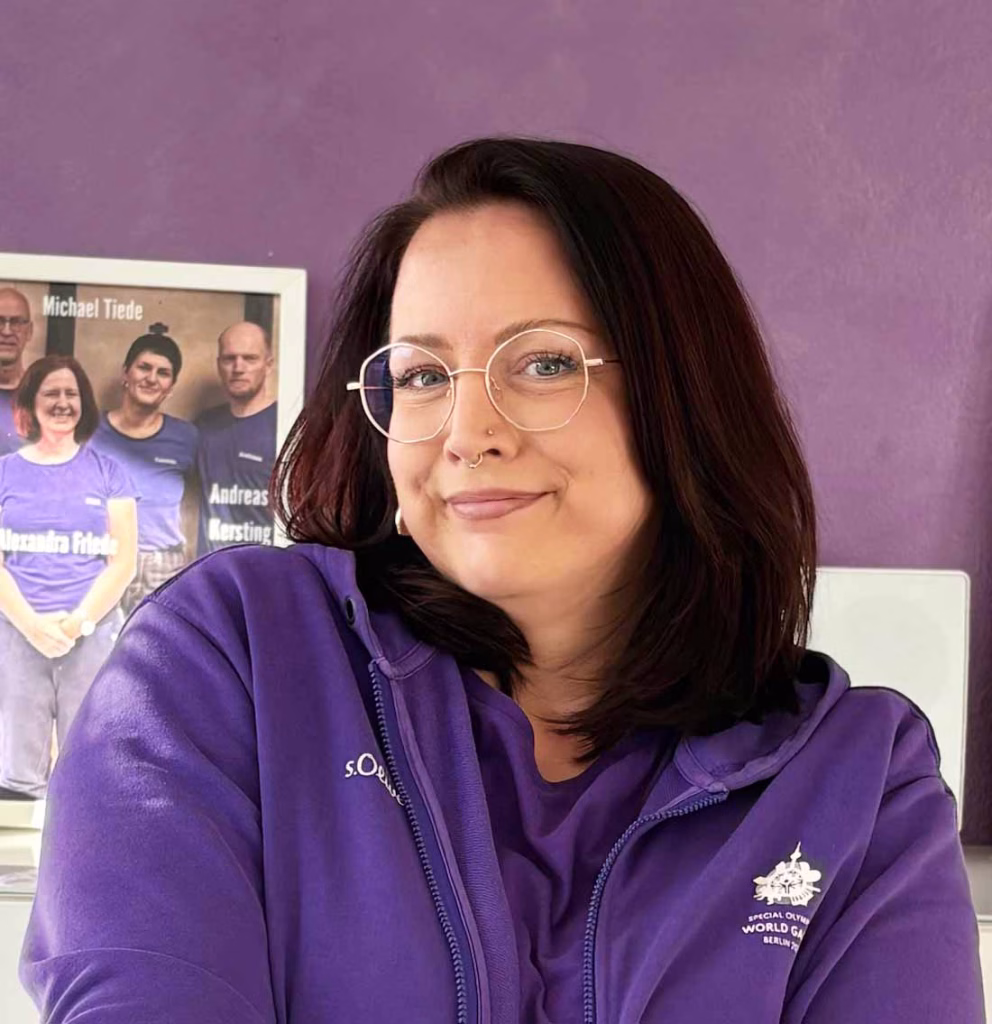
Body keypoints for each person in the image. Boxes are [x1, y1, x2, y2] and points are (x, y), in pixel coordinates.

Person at [20, 139, 983, 1022]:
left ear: (684, 396)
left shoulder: (858, 781)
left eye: (544, 363)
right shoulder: (229, 659)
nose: (467, 431)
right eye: (423, 375)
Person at [0, 355, 137, 800]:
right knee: (18, 773)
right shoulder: (4, 472)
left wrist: (77, 623)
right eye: (51, 393)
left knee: (90, 764)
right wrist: (31, 626)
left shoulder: (109, 473)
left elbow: (124, 561)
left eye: (71, 393)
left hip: (90, 636)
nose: (62, 402)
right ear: (30, 402)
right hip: (17, 635)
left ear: (85, 403)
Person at [90, 324, 198, 615]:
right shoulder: (89, 431)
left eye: (163, 373)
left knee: (155, 644)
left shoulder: (186, 437)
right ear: (126, 373)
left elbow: (199, 501)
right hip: (100, 563)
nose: (151, 378)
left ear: (171, 386)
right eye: (144, 367)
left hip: (162, 569)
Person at [194, 320, 278, 553]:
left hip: (264, 565)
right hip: (210, 567)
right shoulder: (203, 425)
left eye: (250, 358)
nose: (238, 367)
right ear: (218, 364)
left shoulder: (286, 424)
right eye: (229, 358)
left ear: (268, 365)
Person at [0, 287, 33, 456]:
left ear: (29, 331)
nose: (6, 331)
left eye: (16, 322)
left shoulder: (43, 396)